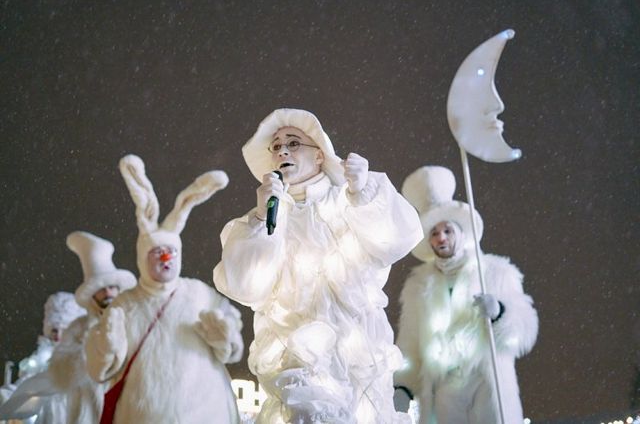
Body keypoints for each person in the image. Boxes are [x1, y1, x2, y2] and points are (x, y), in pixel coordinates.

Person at [213, 108, 423, 423]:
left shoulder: (346, 202)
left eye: (293, 143)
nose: (282, 151)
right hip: (294, 359)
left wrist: (364, 192)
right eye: (276, 146)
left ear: (320, 155)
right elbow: (244, 286)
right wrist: (260, 220)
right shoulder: (266, 218)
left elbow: (396, 239)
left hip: (357, 355)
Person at [85, 154, 242, 423]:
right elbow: (99, 370)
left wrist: (225, 337)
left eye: (171, 251)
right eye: (157, 252)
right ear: (142, 258)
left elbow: (232, 348)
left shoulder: (200, 294)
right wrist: (107, 346)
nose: (165, 257)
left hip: (204, 414)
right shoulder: (125, 303)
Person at [394, 165, 539, 424]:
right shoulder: (418, 287)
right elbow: (410, 346)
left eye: (447, 231)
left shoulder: (494, 272)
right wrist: (402, 387)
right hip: (444, 392)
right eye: (434, 233)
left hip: (486, 383)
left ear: (461, 233)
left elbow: (525, 330)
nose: (441, 238)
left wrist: (500, 313)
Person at [47, 231, 136, 424]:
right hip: (89, 415)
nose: (108, 293)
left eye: (112, 287)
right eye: (102, 289)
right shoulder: (78, 328)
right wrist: (91, 356)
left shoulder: (134, 321)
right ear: (92, 294)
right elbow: (60, 373)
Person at [0, 292, 86, 423]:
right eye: (54, 330)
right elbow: (24, 389)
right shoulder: (40, 359)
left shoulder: (83, 361)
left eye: (64, 330)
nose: (58, 336)